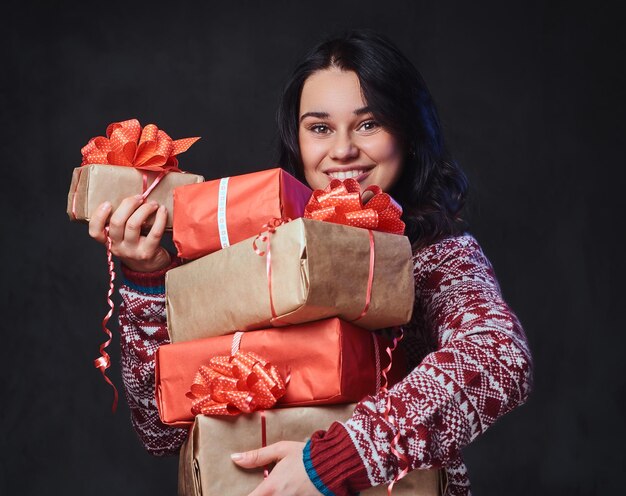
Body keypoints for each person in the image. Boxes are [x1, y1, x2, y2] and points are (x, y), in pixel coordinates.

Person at [89, 30, 532, 496]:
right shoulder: (255, 254)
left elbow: (500, 357)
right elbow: (163, 432)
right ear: (296, 138)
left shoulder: (437, 258)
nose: (342, 150)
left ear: (408, 132)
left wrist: (339, 457)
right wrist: (148, 277)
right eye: (320, 128)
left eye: (368, 124)